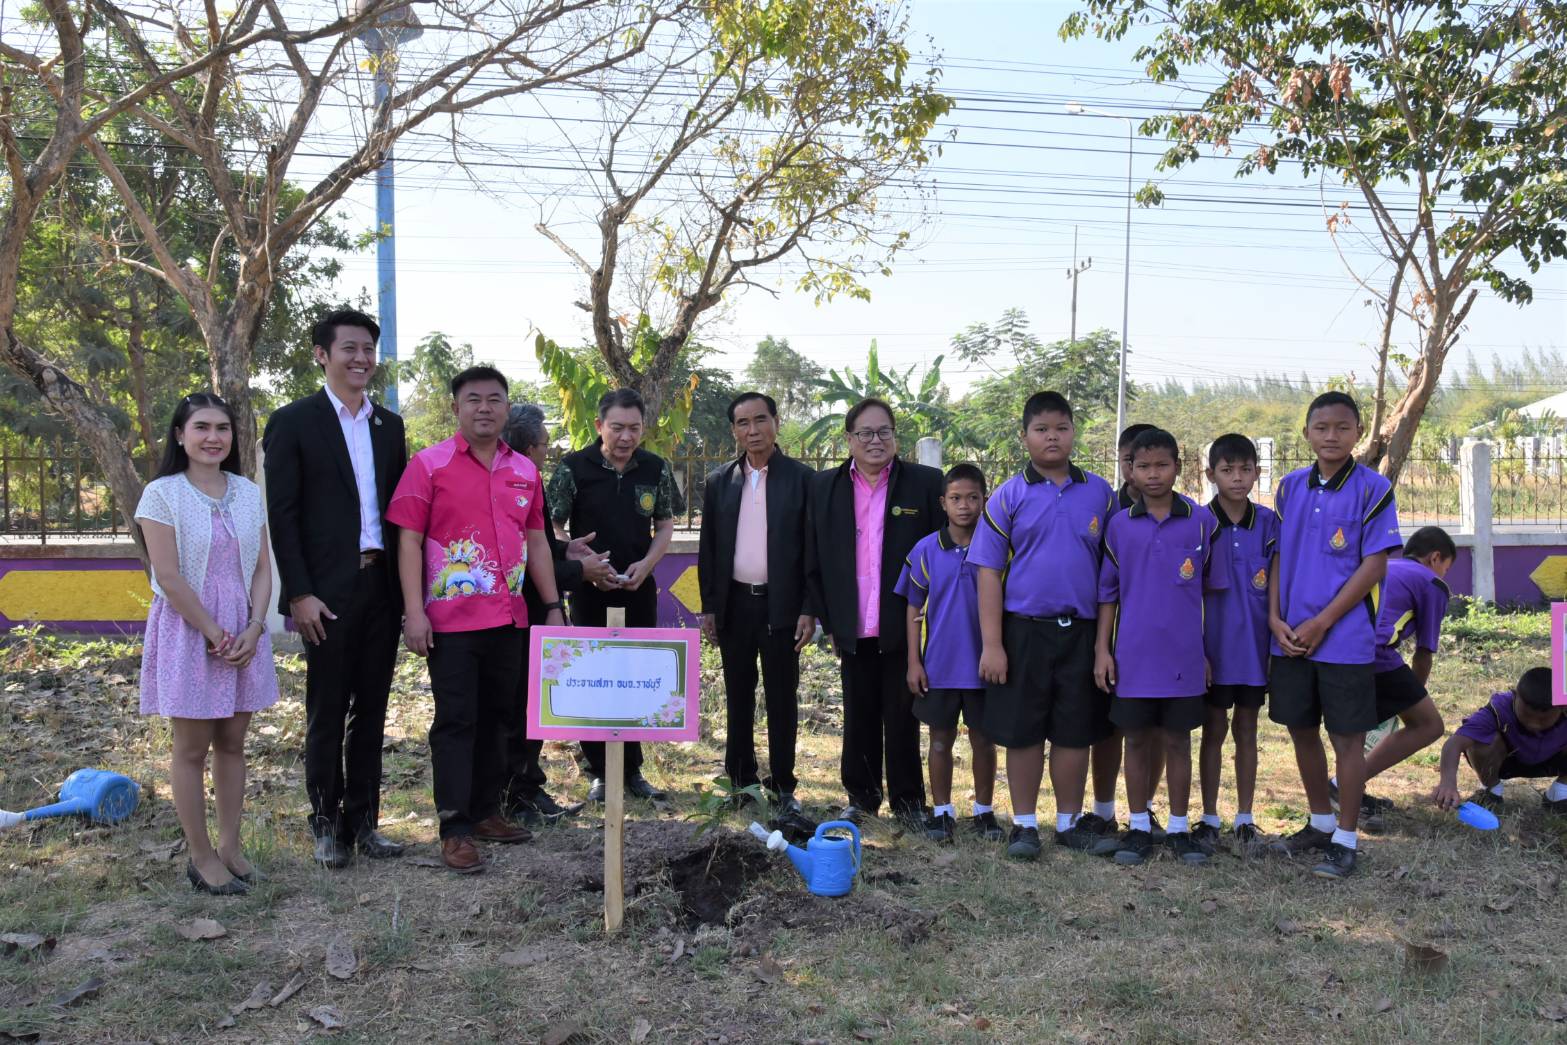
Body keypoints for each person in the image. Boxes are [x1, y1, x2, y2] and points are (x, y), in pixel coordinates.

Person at [386, 366, 566, 874]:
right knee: (457, 722)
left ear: (507, 408)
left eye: (494, 399)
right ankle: (455, 828)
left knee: (500, 719)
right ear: (456, 408)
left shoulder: (524, 471)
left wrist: (552, 606)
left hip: (509, 619)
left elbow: (536, 542)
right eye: (473, 399)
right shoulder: (429, 465)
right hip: (450, 623)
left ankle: (487, 812)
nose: (484, 408)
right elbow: (409, 542)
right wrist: (414, 612)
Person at [263, 308, 408, 869]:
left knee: (372, 709)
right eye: (349, 348)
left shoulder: (389, 427)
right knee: (327, 709)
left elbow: (399, 515)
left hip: (381, 586)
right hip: (324, 594)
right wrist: (298, 593)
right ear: (322, 355)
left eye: (368, 349)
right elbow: (283, 515)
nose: (361, 359)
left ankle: (364, 822)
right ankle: (325, 824)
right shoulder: (294, 422)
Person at [137, 393, 278, 894]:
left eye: (222, 428)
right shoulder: (162, 494)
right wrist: (214, 633)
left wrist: (255, 627)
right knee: (192, 747)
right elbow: (169, 577)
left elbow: (261, 568)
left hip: (243, 629)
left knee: (233, 743)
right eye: (201, 427)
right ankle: (200, 858)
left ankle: (231, 849)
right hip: (190, 628)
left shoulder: (246, 492)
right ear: (180, 435)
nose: (213, 437)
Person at [970, 391, 1116, 860]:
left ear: (1073, 432)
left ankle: (1070, 823)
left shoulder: (1100, 493)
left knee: (1075, 729)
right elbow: (988, 572)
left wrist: (1104, 645)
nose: (1052, 437)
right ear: (1025, 437)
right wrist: (993, 644)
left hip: (1081, 632)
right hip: (1023, 631)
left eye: (1061, 428)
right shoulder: (1008, 495)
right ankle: (1026, 825)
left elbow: (1112, 573)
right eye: (1041, 429)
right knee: (1024, 730)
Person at [1266, 391, 1402, 880]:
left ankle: (1345, 838)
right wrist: (1274, 617)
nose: (1331, 436)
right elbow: (1278, 555)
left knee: (1346, 738)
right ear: (1306, 433)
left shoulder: (1374, 488)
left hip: (1344, 638)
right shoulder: (1288, 488)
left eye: (1342, 428)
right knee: (1300, 729)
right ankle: (1320, 821)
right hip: (1290, 637)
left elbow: (1374, 564)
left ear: (1358, 433)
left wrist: (1323, 622)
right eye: (1321, 428)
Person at [806, 397, 944, 825]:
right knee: (859, 713)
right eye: (865, 433)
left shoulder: (924, 483)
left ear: (895, 436)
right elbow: (813, 555)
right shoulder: (824, 487)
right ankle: (861, 797)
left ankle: (908, 801)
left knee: (903, 715)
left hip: (904, 621)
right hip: (851, 620)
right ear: (849, 439)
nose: (875, 440)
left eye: (884, 431)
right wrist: (826, 616)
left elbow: (942, 550)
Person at [1094, 429, 1222, 866]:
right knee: (1135, 741)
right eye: (1143, 466)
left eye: (1162, 465)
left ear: (1178, 467)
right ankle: (1138, 827)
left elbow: (1211, 594)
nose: (1152, 474)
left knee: (1178, 741)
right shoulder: (1118, 525)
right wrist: (1102, 650)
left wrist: (1205, 653)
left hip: (1183, 658)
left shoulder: (1201, 522)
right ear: (1130, 470)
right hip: (1133, 657)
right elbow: (1108, 595)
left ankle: (1180, 829)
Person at [546, 388, 679, 803]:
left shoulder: (655, 468)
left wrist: (648, 564)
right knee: (593, 676)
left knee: (635, 676)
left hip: (638, 587)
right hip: (589, 588)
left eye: (634, 428)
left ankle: (632, 769)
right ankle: (601, 771)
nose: (626, 437)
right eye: (617, 427)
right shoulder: (572, 468)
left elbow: (665, 525)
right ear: (599, 425)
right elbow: (554, 526)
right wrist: (583, 563)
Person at [697, 392, 816, 818]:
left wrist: (809, 608)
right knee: (738, 695)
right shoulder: (720, 481)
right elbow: (709, 550)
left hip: (782, 607)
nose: (753, 430)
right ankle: (740, 782)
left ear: (776, 423)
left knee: (782, 698)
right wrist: (710, 607)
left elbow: (813, 550)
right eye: (743, 423)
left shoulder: (803, 480)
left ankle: (783, 786)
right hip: (735, 605)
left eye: (760, 420)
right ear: (734, 430)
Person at [498, 404, 614, 824]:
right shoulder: (511, 482)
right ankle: (517, 794)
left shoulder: (529, 480)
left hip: (538, 613)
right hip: (522, 613)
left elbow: (540, 546)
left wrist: (566, 549)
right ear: (530, 447)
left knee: (532, 704)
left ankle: (528, 786)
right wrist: (580, 571)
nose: (549, 451)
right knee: (517, 709)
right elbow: (526, 562)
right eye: (546, 444)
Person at [894, 463, 1004, 843]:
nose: (964, 506)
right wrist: (914, 662)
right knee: (940, 740)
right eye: (956, 498)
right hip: (939, 667)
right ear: (943, 502)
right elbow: (913, 607)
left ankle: (984, 812)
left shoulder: (996, 548)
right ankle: (942, 812)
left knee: (983, 740)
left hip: (984, 667)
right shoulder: (926, 550)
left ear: (984, 500)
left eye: (973, 497)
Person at [1338, 526, 1456, 829]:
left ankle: (1346, 789)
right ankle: (1343, 787)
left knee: (1355, 733)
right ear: (1435, 558)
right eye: (1446, 568)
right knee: (1428, 724)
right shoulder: (1432, 583)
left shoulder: (1384, 566)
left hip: (1342, 650)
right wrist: (1412, 698)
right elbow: (1424, 653)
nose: (1445, 574)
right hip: (1376, 654)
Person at [1195, 433, 1279, 854]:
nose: (1237, 478)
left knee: (1247, 728)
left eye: (1245, 470)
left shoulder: (1268, 524)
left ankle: (1245, 816)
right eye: (1227, 470)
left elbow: (1276, 585)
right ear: (1211, 474)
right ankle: (1209, 816)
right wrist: (1196, 651)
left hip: (1253, 650)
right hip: (1212, 650)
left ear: (1257, 473)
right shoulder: (1197, 523)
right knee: (1213, 729)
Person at [1093, 421, 1162, 840]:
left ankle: (1145, 808)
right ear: (1123, 463)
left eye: (1152, 462)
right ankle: (1103, 811)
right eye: (1130, 460)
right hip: (1111, 634)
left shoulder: (1182, 514)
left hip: (1158, 640)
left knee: (1154, 729)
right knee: (1109, 726)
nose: (1140, 470)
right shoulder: (1107, 510)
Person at [1432, 668, 1567, 814]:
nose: (1533, 724)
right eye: (1526, 716)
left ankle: (1560, 793)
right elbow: (1454, 743)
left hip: (1553, 760)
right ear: (1514, 696)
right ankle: (1491, 791)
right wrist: (1448, 783)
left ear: (1563, 707)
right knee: (1478, 739)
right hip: (1507, 762)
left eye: (1543, 720)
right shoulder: (1498, 710)